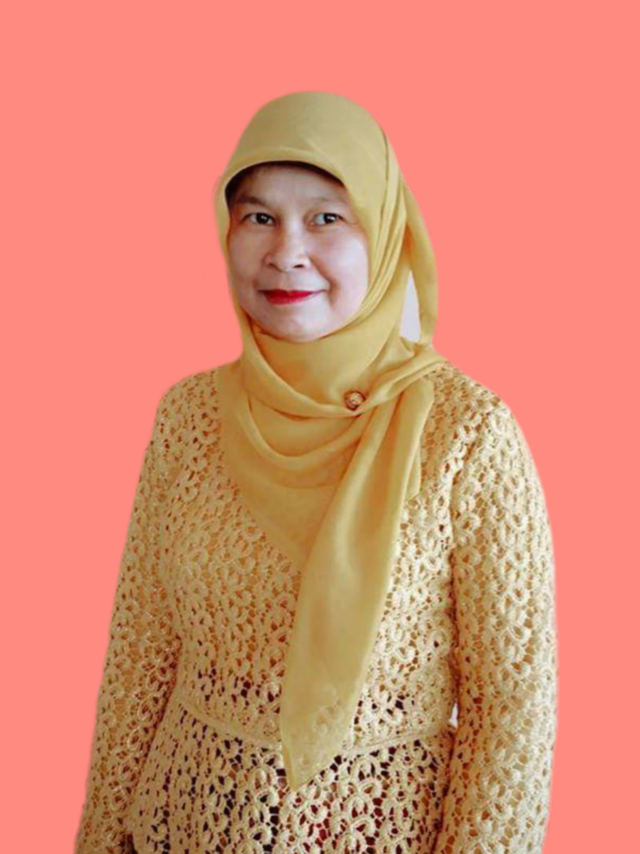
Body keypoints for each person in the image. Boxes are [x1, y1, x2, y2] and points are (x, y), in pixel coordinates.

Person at [74, 91, 558, 854]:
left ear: (384, 230)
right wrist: (101, 839)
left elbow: (512, 712)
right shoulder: (189, 416)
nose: (286, 252)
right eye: (258, 217)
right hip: (176, 828)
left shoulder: (467, 435)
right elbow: (141, 656)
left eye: (327, 218)